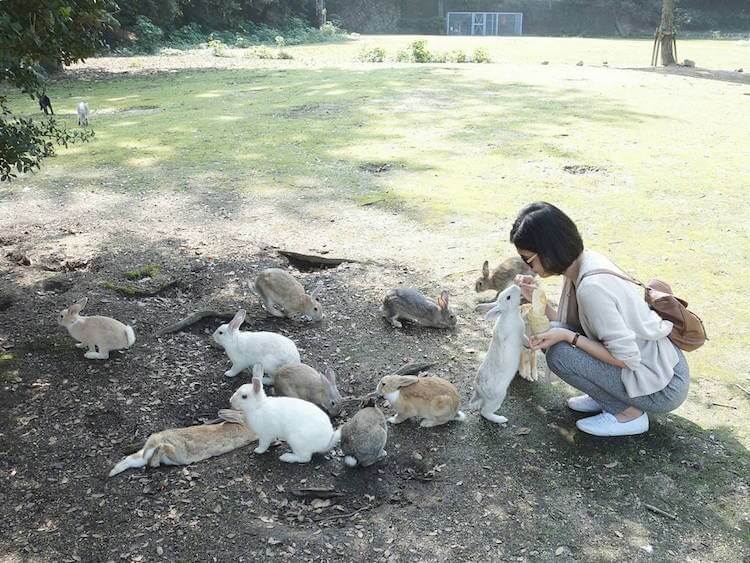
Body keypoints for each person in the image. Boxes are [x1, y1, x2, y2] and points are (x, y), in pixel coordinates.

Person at [510, 202, 690, 437]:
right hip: (661, 366)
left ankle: (627, 414)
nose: (527, 266)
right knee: (555, 334)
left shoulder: (592, 287)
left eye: (528, 259)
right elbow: (568, 326)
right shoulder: (583, 264)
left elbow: (626, 358)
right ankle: (605, 394)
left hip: (664, 386)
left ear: (548, 250)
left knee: (560, 354)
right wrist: (536, 300)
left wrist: (567, 337)